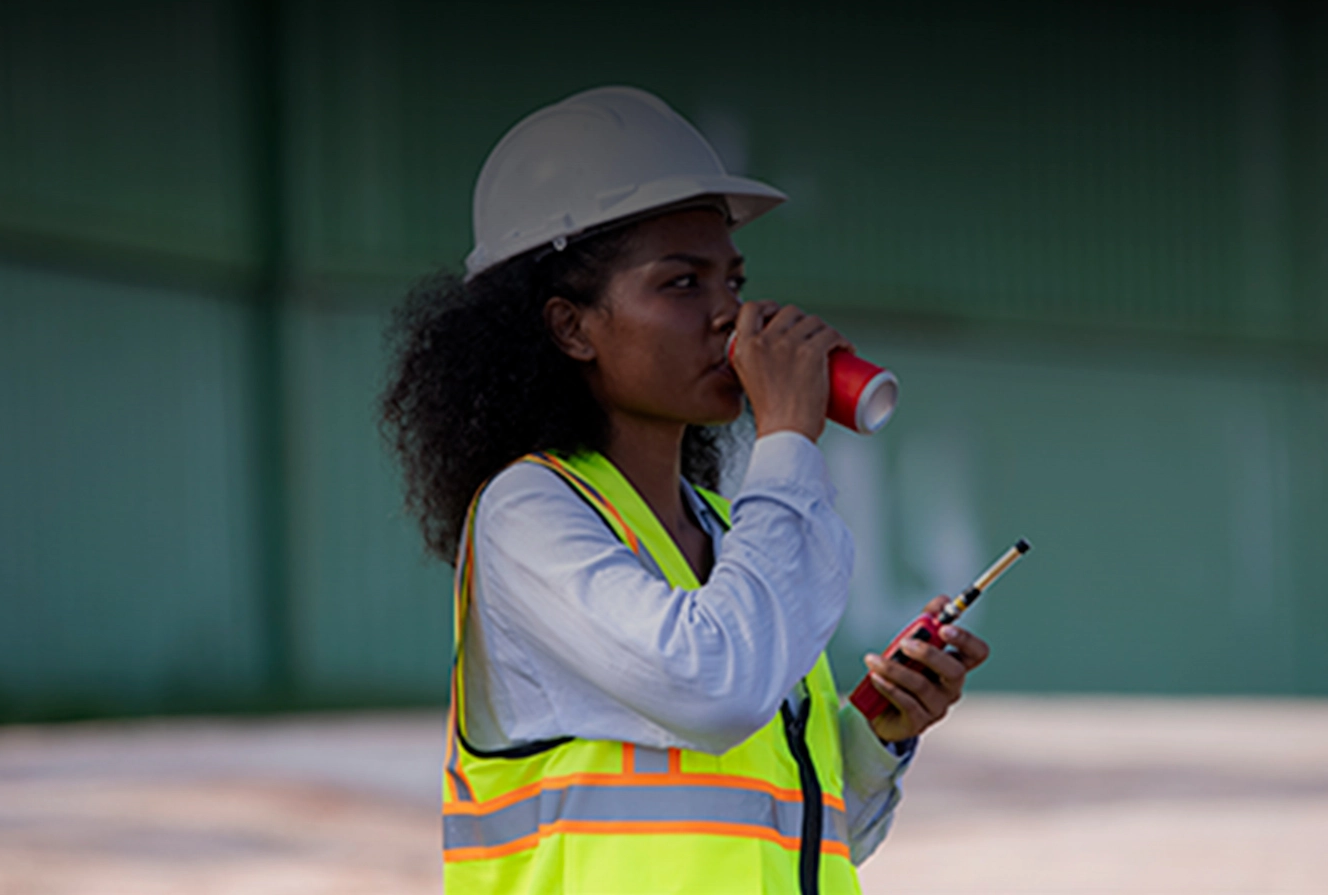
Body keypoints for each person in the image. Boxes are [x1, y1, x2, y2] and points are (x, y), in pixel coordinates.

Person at [381, 85, 991, 893]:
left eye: (732, 282)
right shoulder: (525, 513)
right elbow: (716, 688)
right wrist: (785, 442)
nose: (729, 317)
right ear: (571, 326)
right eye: (681, 283)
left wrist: (880, 732)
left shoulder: (732, 534)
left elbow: (788, 831)